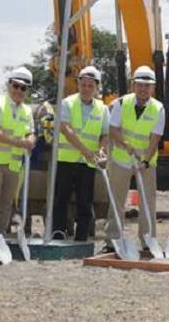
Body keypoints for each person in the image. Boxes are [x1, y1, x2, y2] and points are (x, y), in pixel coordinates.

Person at [103, 66, 165, 254]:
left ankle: (147, 240)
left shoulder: (158, 108)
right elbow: (113, 130)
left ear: (153, 88)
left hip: (145, 162)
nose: (143, 89)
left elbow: (155, 138)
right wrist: (125, 145)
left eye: (147, 86)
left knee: (147, 202)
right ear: (133, 85)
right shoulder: (121, 104)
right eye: (140, 85)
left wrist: (145, 161)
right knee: (116, 200)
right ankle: (112, 238)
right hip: (121, 159)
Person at [0, 67, 36, 257]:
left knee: (6, 204)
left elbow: (30, 132)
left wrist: (31, 140)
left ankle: (0, 237)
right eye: (16, 86)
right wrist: (18, 142)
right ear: (9, 84)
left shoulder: (27, 110)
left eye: (23, 88)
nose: (18, 91)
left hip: (14, 164)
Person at [53, 66, 109, 241]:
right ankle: (58, 233)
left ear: (96, 88)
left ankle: (82, 236)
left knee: (85, 201)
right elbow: (65, 128)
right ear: (78, 84)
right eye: (83, 85)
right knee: (61, 199)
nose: (86, 89)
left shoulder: (102, 108)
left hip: (88, 163)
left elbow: (105, 134)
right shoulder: (67, 103)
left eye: (90, 86)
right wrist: (85, 150)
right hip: (66, 160)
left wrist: (101, 150)